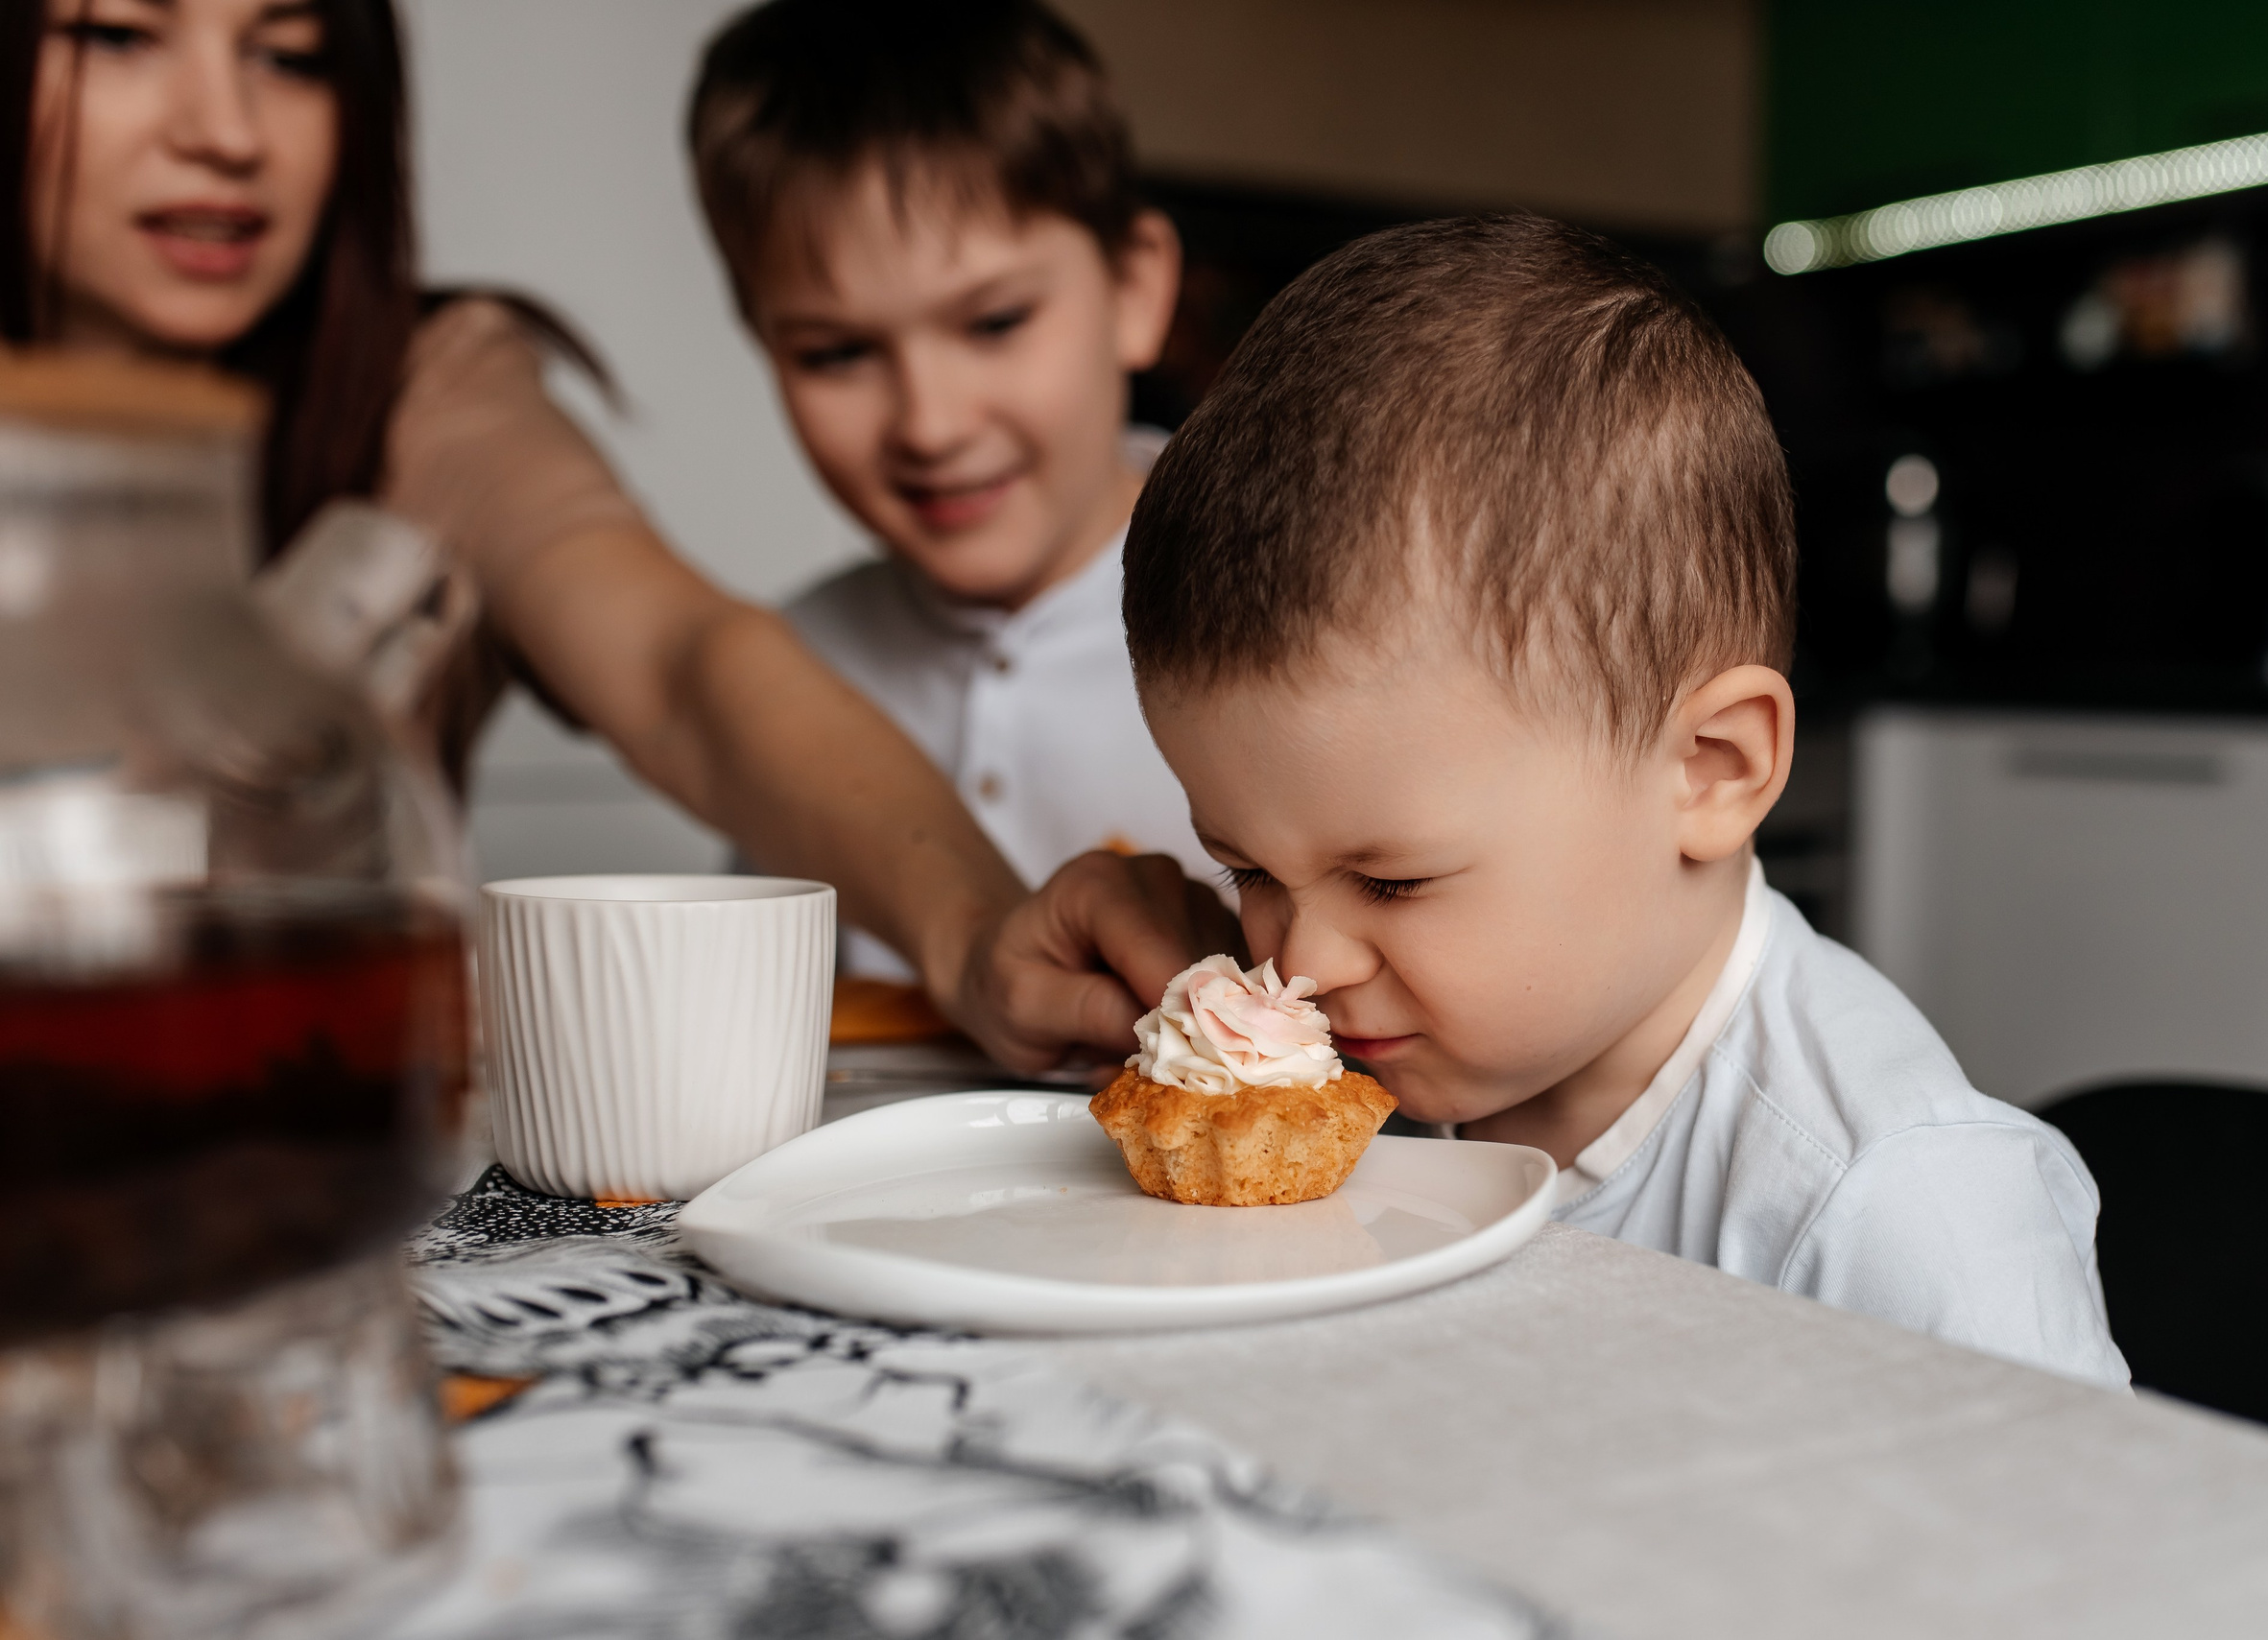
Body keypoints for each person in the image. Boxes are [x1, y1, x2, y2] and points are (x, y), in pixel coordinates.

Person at [5, 0, 1231, 1070]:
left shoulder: (431, 398)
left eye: (292, 52)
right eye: (115, 34)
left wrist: (971, 931)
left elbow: (680, 666)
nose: (224, 129)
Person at [1121, 214, 2131, 1388]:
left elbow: (2071, 1556)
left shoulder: (1896, 1216)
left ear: (1710, 768)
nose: (1299, 968)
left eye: (1391, 880)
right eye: (1246, 870)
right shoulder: (1405, 1081)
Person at [685, 1, 1208, 983]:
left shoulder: (1299, 607)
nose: (929, 423)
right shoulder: (790, 670)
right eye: (837, 352)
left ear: (1134, 290)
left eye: (995, 321)